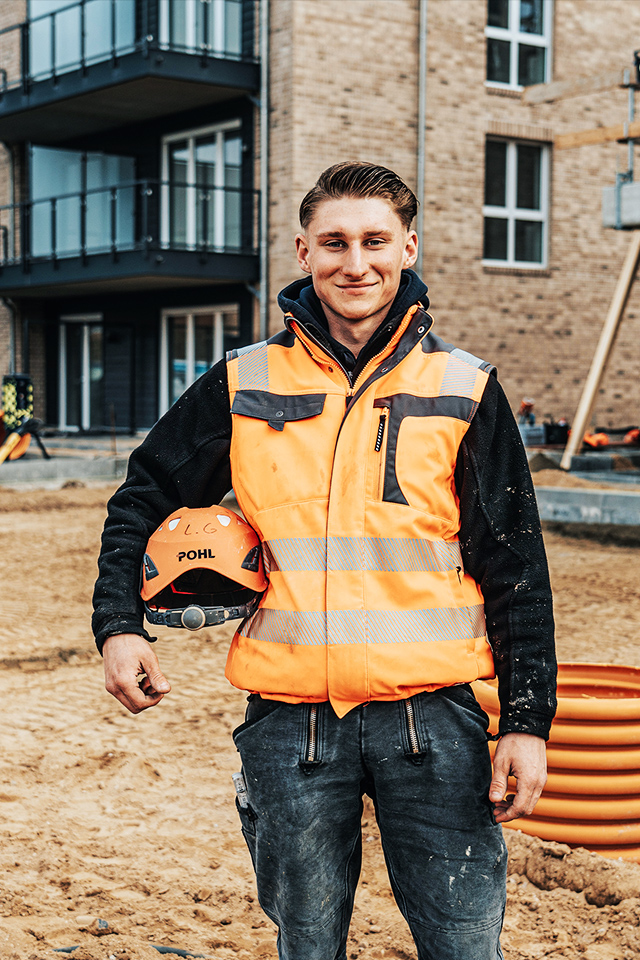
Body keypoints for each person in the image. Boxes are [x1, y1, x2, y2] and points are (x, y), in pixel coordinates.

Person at [93, 161, 556, 960]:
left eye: (375, 240)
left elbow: (516, 564)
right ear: (302, 250)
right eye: (334, 242)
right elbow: (141, 497)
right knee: (306, 945)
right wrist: (119, 625)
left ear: (407, 247)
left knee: (464, 942)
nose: (356, 262)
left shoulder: (464, 386)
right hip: (290, 722)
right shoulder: (243, 381)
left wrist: (525, 722)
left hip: (435, 720)